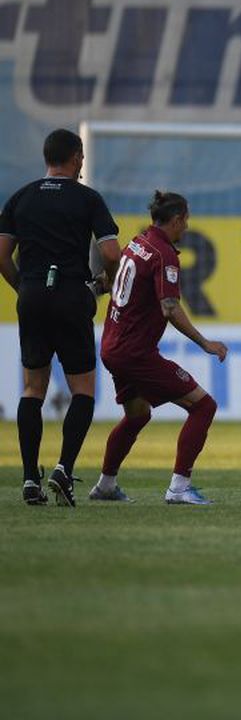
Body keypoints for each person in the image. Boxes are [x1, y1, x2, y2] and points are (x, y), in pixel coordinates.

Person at [0, 128, 121, 506]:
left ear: (46, 158)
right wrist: (106, 282)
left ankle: (29, 479)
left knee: (33, 389)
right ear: (76, 157)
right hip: (71, 295)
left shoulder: (21, 197)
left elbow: (2, 255)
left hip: (32, 295)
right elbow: (112, 253)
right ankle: (63, 470)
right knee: (82, 390)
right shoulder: (87, 198)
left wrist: (25, 287)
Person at [91, 191, 228, 505]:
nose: (187, 227)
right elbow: (170, 307)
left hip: (112, 346)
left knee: (137, 415)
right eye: (186, 220)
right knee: (203, 407)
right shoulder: (164, 254)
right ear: (176, 219)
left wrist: (96, 286)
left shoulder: (137, 242)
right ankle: (179, 488)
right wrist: (205, 343)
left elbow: (112, 280)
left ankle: (106, 485)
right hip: (135, 353)